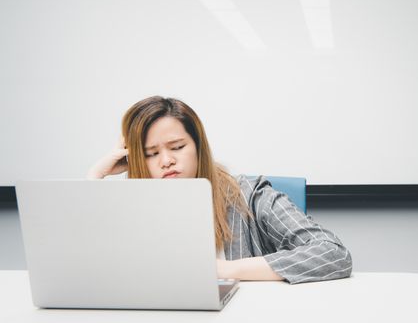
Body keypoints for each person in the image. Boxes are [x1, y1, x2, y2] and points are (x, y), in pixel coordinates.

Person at [87, 96, 352, 284]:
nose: (166, 160)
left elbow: (332, 253)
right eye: (150, 153)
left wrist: (222, 269)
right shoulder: (131, 204)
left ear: (198, 146)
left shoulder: (250, 193)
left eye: (177, 147)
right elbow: (84, 266)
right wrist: (96, 175)